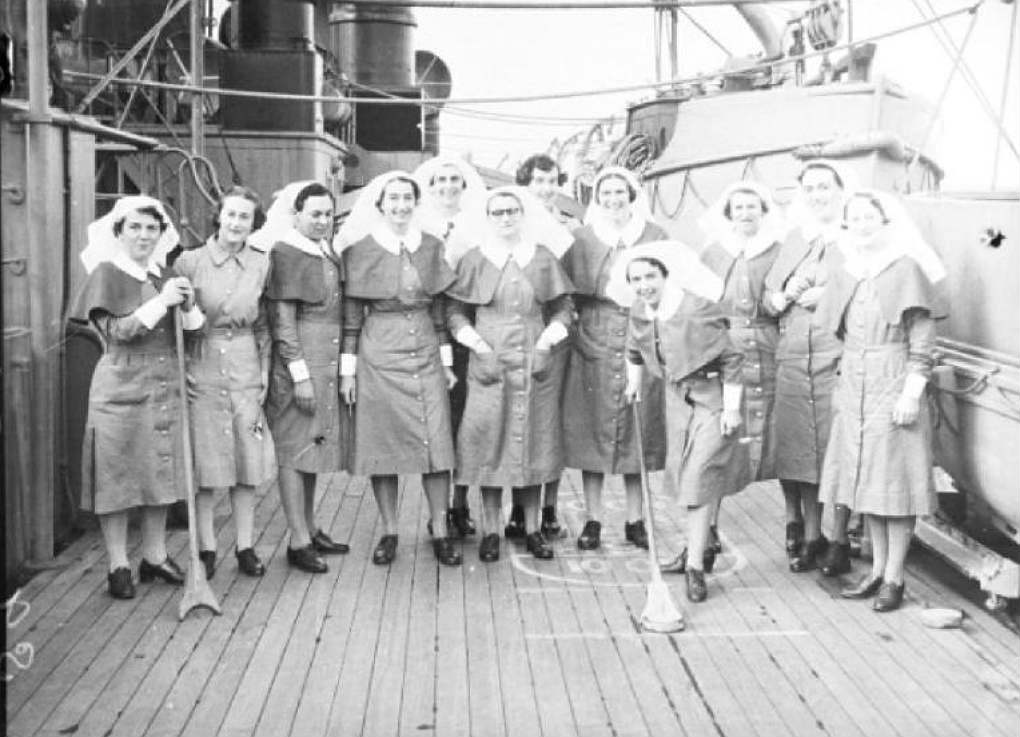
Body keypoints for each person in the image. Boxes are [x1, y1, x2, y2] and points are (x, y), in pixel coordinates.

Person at [817, 190, 947, 612]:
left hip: (893, 382)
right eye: (854, 218)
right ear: (846, 225)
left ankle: (895, 576)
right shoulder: (847, 270)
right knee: (865, 483)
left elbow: (922, 343)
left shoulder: (906, 268)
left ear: (885, 221)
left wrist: (911, 394)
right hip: (855, 385)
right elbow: (840, 333)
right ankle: (874, 572)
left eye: (869, 217)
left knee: (896, 485)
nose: (862, 224)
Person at [69, 195, 205, 599]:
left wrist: (189, 305)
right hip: (121, 386)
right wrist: (162, 302)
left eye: (152, 228)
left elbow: (195, 333)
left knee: (158, 472)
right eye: (135, 227)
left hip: (164, 383)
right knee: (116, 476)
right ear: (119, 232)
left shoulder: (165, 275)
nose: (144, 235)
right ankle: (118, 564)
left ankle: (155, 555)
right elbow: (117, 333)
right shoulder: (105, 274)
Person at [336, 171, 462, 567]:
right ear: (380, 204)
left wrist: (446, 363)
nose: (401, 206)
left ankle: (440, 529)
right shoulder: (360, 250)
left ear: (415, 203)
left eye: (407, 198)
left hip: (425, 348)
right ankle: (390, 530)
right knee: (383, 446)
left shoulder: (431, 246)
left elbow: (441, 312)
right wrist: (348, 372)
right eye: (393, 199)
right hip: (380, 355)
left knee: (436, 444)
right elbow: (352, 318)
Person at [447, 186, 575, 562]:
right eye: (498, 212)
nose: (505, 218)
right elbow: (454, 312)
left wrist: (547, 342)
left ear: (523, 215)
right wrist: (478, 346)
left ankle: (532, 529)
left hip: (536, 359)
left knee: (534, 441)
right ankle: (490, 529)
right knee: (491, 442)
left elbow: (564, 307)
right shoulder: (474, 259)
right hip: (490, 360)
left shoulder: (542, 257)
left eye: (511, 211)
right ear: (487, 218)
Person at [617, 241, 748, 603]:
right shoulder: (640, 312)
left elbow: (733, 358)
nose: (644, 285)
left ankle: (694, 567)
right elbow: (633, 350)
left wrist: (732, 408)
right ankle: (701, 548)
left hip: (714, 399)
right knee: (688, 478)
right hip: (677, 401)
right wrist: (633, 382)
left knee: (697, 480)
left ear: (664, 276)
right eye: (636, 279)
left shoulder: (696, 308)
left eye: (650, 277)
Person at [560, 166, 668, 551]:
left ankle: (635, 519)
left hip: (641, 331)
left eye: (619, 192)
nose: (612, 199)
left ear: (631, 195)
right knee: (594, 430)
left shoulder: (654, 236)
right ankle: (593, 519)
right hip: (596, 337)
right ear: (596, 198)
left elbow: (669, 288)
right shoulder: (583, 238)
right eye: (605, 193)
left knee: (638, 430)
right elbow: (570, 295)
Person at [173, 186, 276, 579]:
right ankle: (206, 548)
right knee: (207, 461)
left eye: (245, 217)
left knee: (247, 457)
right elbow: (178, 324)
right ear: (219, 217)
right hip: (202, 364)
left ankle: (246, 546)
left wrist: (264, 369)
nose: (236, 223)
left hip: (246, 364)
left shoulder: (261, 264)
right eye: (230, 215)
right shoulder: (190, 261)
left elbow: (264, 322)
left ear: (254, 223)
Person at [259, 181, 350, 574]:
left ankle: (310, 528)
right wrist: (300, 376)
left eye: (328, 214)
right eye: (314, 213)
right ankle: (297, 540)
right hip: (302, 366)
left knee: (312, 447)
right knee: (294, 451)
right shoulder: (286, 252)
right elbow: (283, 323)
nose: (322, 220)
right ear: (296, 214)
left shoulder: (326, 251)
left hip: (326, 363)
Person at [764, 160, 847, 573]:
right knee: (796, 446)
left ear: (839, 190)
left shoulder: (851, 237)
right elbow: (769, 299)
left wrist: (827, 295)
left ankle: (837, 537)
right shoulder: (796, 239)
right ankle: (805, 528)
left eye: (825, 187)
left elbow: (866, 291)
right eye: (810, 188)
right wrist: (786, 294)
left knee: (834, 447)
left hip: (835, 355)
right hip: (794, 354)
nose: (818, 195)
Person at [697, 181, 784, 567]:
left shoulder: (778, 251)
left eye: (753, 206)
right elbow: (700, 301)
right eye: (739, 207)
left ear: (763, 211)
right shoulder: (714, 252)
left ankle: (798, 526)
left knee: (778, 434)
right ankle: (707, 528)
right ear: (728, 214)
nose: (745, 213)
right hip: (725, 348)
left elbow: (777, 300)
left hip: (767, 347)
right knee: (718, 438)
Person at [503, 153, 578, 540]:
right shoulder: (514, 224)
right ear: (525, 185)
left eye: (552, 182)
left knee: (552, 425)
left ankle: (549, 507)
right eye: (538, 182)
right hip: (524, 330)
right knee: (522, 420)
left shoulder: (570, 227)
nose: (546, 190)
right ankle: (520, 505)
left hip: (560, 332)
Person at [412, 155, 487, 539]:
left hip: (468, 327)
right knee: (436, 423)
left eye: (454, 179)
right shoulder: (416, 223)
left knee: (466, 421)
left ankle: (461, 502)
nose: (446, 186)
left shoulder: (478, 223)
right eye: (439, 179)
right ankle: (436, 511)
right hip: (427, 329)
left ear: (464, 185)